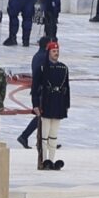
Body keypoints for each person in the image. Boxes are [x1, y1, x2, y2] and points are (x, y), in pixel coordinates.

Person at [32, 41, 70, 170]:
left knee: (53, 134)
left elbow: (67, 88)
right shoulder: (42, 68)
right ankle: (43, 160)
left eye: (57, 51)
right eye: (54, 51)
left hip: (58, 102)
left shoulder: (63, 68)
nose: (56, 53)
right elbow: (35, 87)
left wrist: (66, 105)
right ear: (48, 52)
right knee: (44, 134)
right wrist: (35, 104)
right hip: (46, 102)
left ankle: (52, 160)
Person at [17, 37, 51, 149]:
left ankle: (43, 141)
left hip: (39, 90)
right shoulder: (44, 57)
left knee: (45, 117)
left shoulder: (38, 55)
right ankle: (25, 136)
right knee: (41, 117)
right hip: (42, 91)